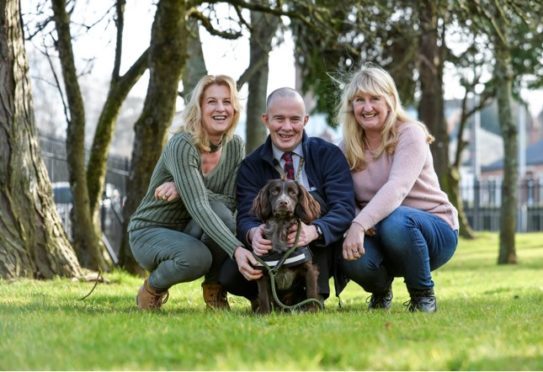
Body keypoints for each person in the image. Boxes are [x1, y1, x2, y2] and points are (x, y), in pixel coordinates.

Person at [219, 87, 356, 308]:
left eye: (294, 119)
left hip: (320, 249)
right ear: (266, 119)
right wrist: (253, 233)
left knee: (313, 204)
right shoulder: (251, 166)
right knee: (229, 275)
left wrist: (314, 231)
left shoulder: (328, 154)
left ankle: (314, 295)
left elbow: (344, 208)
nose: (287, 127)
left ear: (305, 120)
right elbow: (245, 215)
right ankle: (269, 297)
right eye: (279, 119)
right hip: (272, 245)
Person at [337, 64, 459, 313]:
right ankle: (381, 292)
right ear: (352, 107)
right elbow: (340, 195)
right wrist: (355, 219)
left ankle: (423, 296)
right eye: (359, 100)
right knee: (351, 256)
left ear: (390, 100)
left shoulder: (410, 133)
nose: (367, 107)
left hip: (433, 230)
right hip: (379, 235)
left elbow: (397, 188)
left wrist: (359, 223)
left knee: (397, 220)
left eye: (374, 99)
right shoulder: (346, 147)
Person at [127, 74, 255, 310]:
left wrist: (186, 188)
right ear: (199, 108)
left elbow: (228, 202)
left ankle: (214, 289)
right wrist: (236, 250)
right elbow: (197, 206)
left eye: (227, 102)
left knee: (223, 214)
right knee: (197, 258)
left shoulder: (235, 145)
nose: (221, 108)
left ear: (235, 109)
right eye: (212, 102)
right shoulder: (183, 144)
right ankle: (152, 289)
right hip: (151, 231)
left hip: (191, 229)